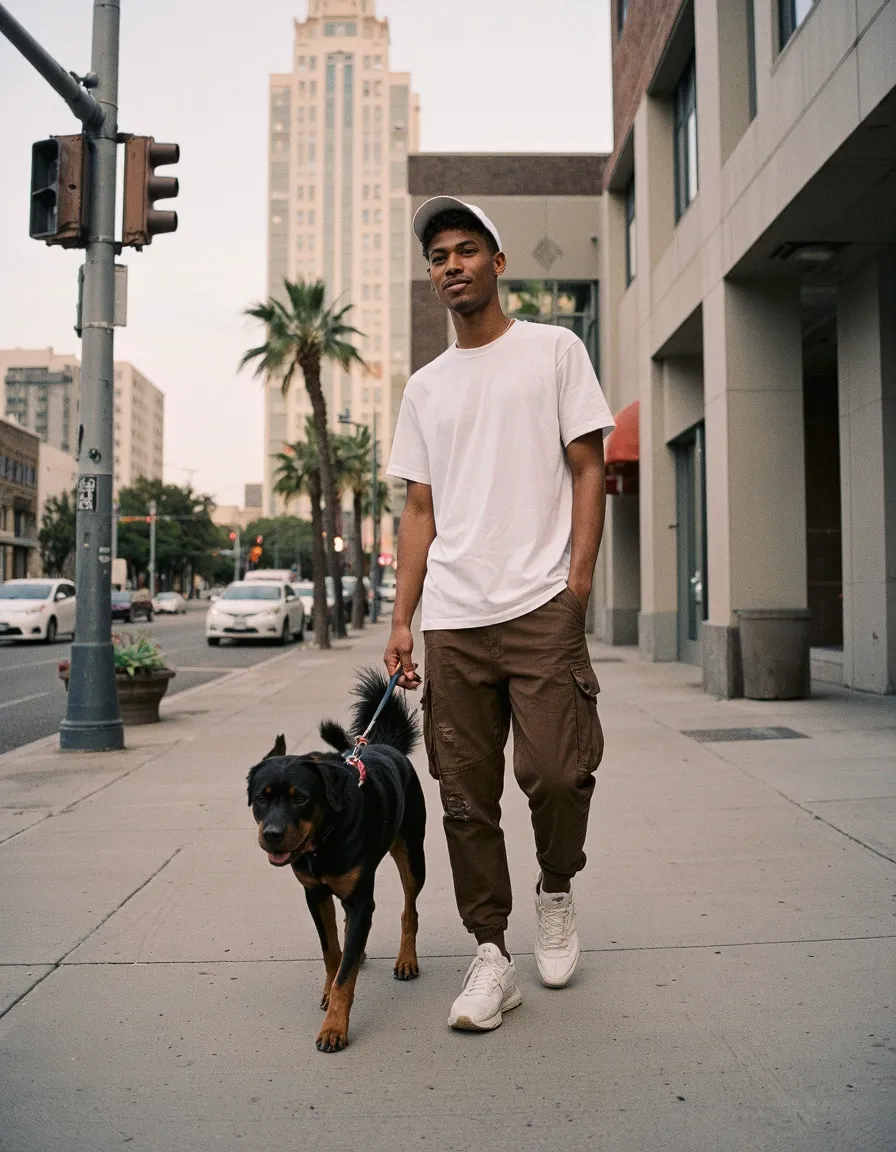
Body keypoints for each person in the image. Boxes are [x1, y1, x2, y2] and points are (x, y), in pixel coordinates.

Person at [384, 196, 614, 1032]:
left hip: (539, 604)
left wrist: (576, 584)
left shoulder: (554, 350)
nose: (451, 264)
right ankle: (491, 953)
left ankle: (556, 887)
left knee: (557, 773)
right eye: (438, 254)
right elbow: (419, 509)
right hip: (453, 616)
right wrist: (403, 617)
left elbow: (588, 467)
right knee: (462, 797)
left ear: (497, 261)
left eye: (465, 249)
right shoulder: (426, 387)